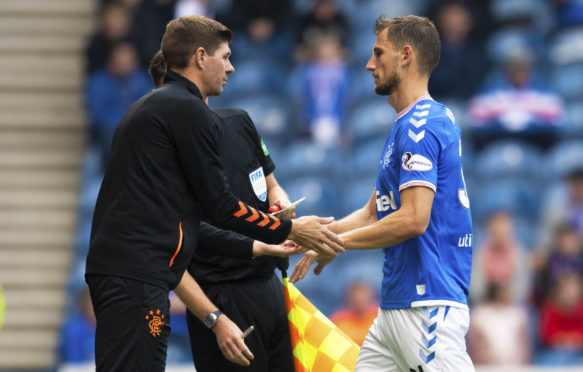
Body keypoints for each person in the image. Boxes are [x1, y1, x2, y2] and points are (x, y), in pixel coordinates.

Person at [85, 15, 343, 372]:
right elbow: (220, 206)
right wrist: (290, 231)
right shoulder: (185, 109)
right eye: (225, 57)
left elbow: (183, 216)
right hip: (137, 280)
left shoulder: (158, 107)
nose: (231, 67)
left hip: (141, 276)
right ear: (201, 56)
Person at [291, 15, 474, 371]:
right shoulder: (406, 124)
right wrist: (321, 237)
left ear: (405, 55)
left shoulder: (422, 126)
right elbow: (376, 212)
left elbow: (413, 219)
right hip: (394, 309)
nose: (369, 64)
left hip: (426, 304)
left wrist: (336, 245)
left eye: (378, 53)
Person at [149, 51, 296, 371]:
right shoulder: (162, 154)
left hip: (270, 286)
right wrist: (214, 318)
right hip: (221, 295)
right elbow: (175, 243)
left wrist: (281, 202)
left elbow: (271, 183)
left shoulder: (239, 121)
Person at [329, 280, 379, 346]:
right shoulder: (338, 321)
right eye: (356, 299)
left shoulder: (381, 317)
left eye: (362, 296)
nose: (359, 299)